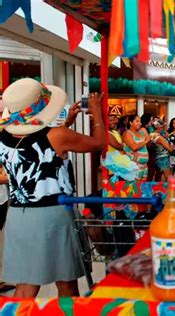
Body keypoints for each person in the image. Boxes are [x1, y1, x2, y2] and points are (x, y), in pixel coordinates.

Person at [0, 78, 105, 298]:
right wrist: (96, 112)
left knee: (26, 285)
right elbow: (98, 143)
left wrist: (66, 124)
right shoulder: (57, 136)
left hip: (19, 216)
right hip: (54, 215)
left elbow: (37, 150)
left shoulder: (3, 138)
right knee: (66, 283)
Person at [122, 115, 150, 181]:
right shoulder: (127, 134)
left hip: (144, 165)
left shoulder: (141, 131)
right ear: (131, 123)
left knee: (141, 187)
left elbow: (148, 144)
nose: (139, 123)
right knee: (134, 187)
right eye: (137, 121)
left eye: (140, 122)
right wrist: (145, 141)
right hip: (134, 166)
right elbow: (134, 147)